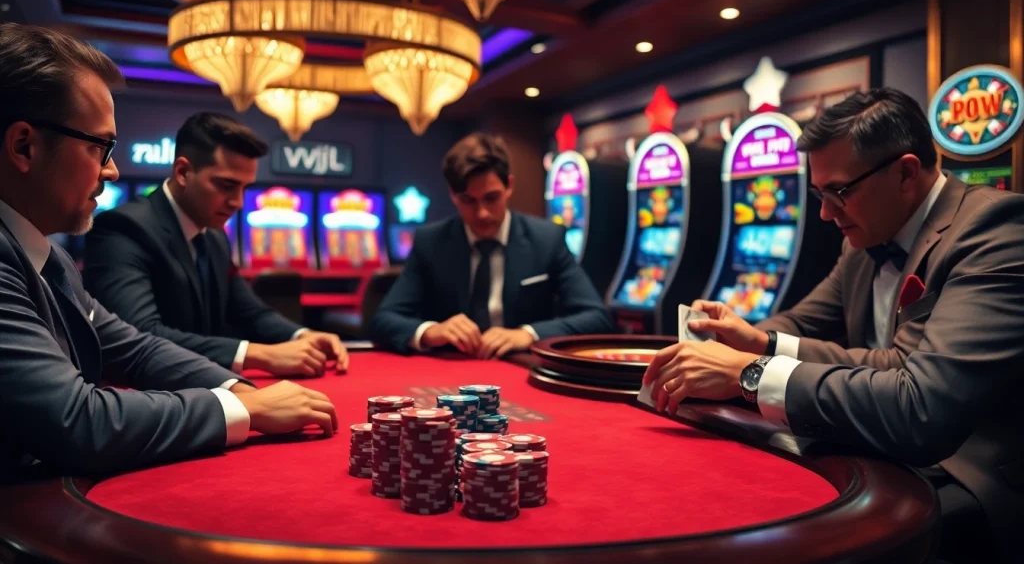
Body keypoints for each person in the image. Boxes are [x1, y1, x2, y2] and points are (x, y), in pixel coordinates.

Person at [642, 88, 1023, 564]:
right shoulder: (863, 241)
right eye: (818, 195)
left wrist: (749, 373)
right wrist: (747, 338)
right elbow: (802, 323)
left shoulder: (995, 232)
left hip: (968, 477)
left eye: (839, 192)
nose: (824, 213)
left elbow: (921, 406)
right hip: (883, 448)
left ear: (905, 172)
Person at [0, 22, 338, 481]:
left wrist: (236, 386)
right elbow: (77, 422)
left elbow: (135, 348)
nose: (113, 171)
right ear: (24, 146)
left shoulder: (50, 260)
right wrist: (239, 406)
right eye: (100, 147)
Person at [84, 112, 348, 378]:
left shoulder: (214, 235)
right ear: (184, 172)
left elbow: (251, 312)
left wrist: (303, 335)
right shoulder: (122, 228)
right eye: (227, 186)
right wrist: (259, 355)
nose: (238, 202)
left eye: (245, 188)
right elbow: (138, 334)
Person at [370, 132, 614, 358]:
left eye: (491, 197)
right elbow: (383, 319)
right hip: (451, 374)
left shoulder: (547, 239)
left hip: (522, 369)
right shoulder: (430, 242)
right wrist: (430, 331)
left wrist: (527, 334)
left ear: (509, 186)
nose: (483, 213)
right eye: (468, 200)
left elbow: (597, 318)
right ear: (453, 195)